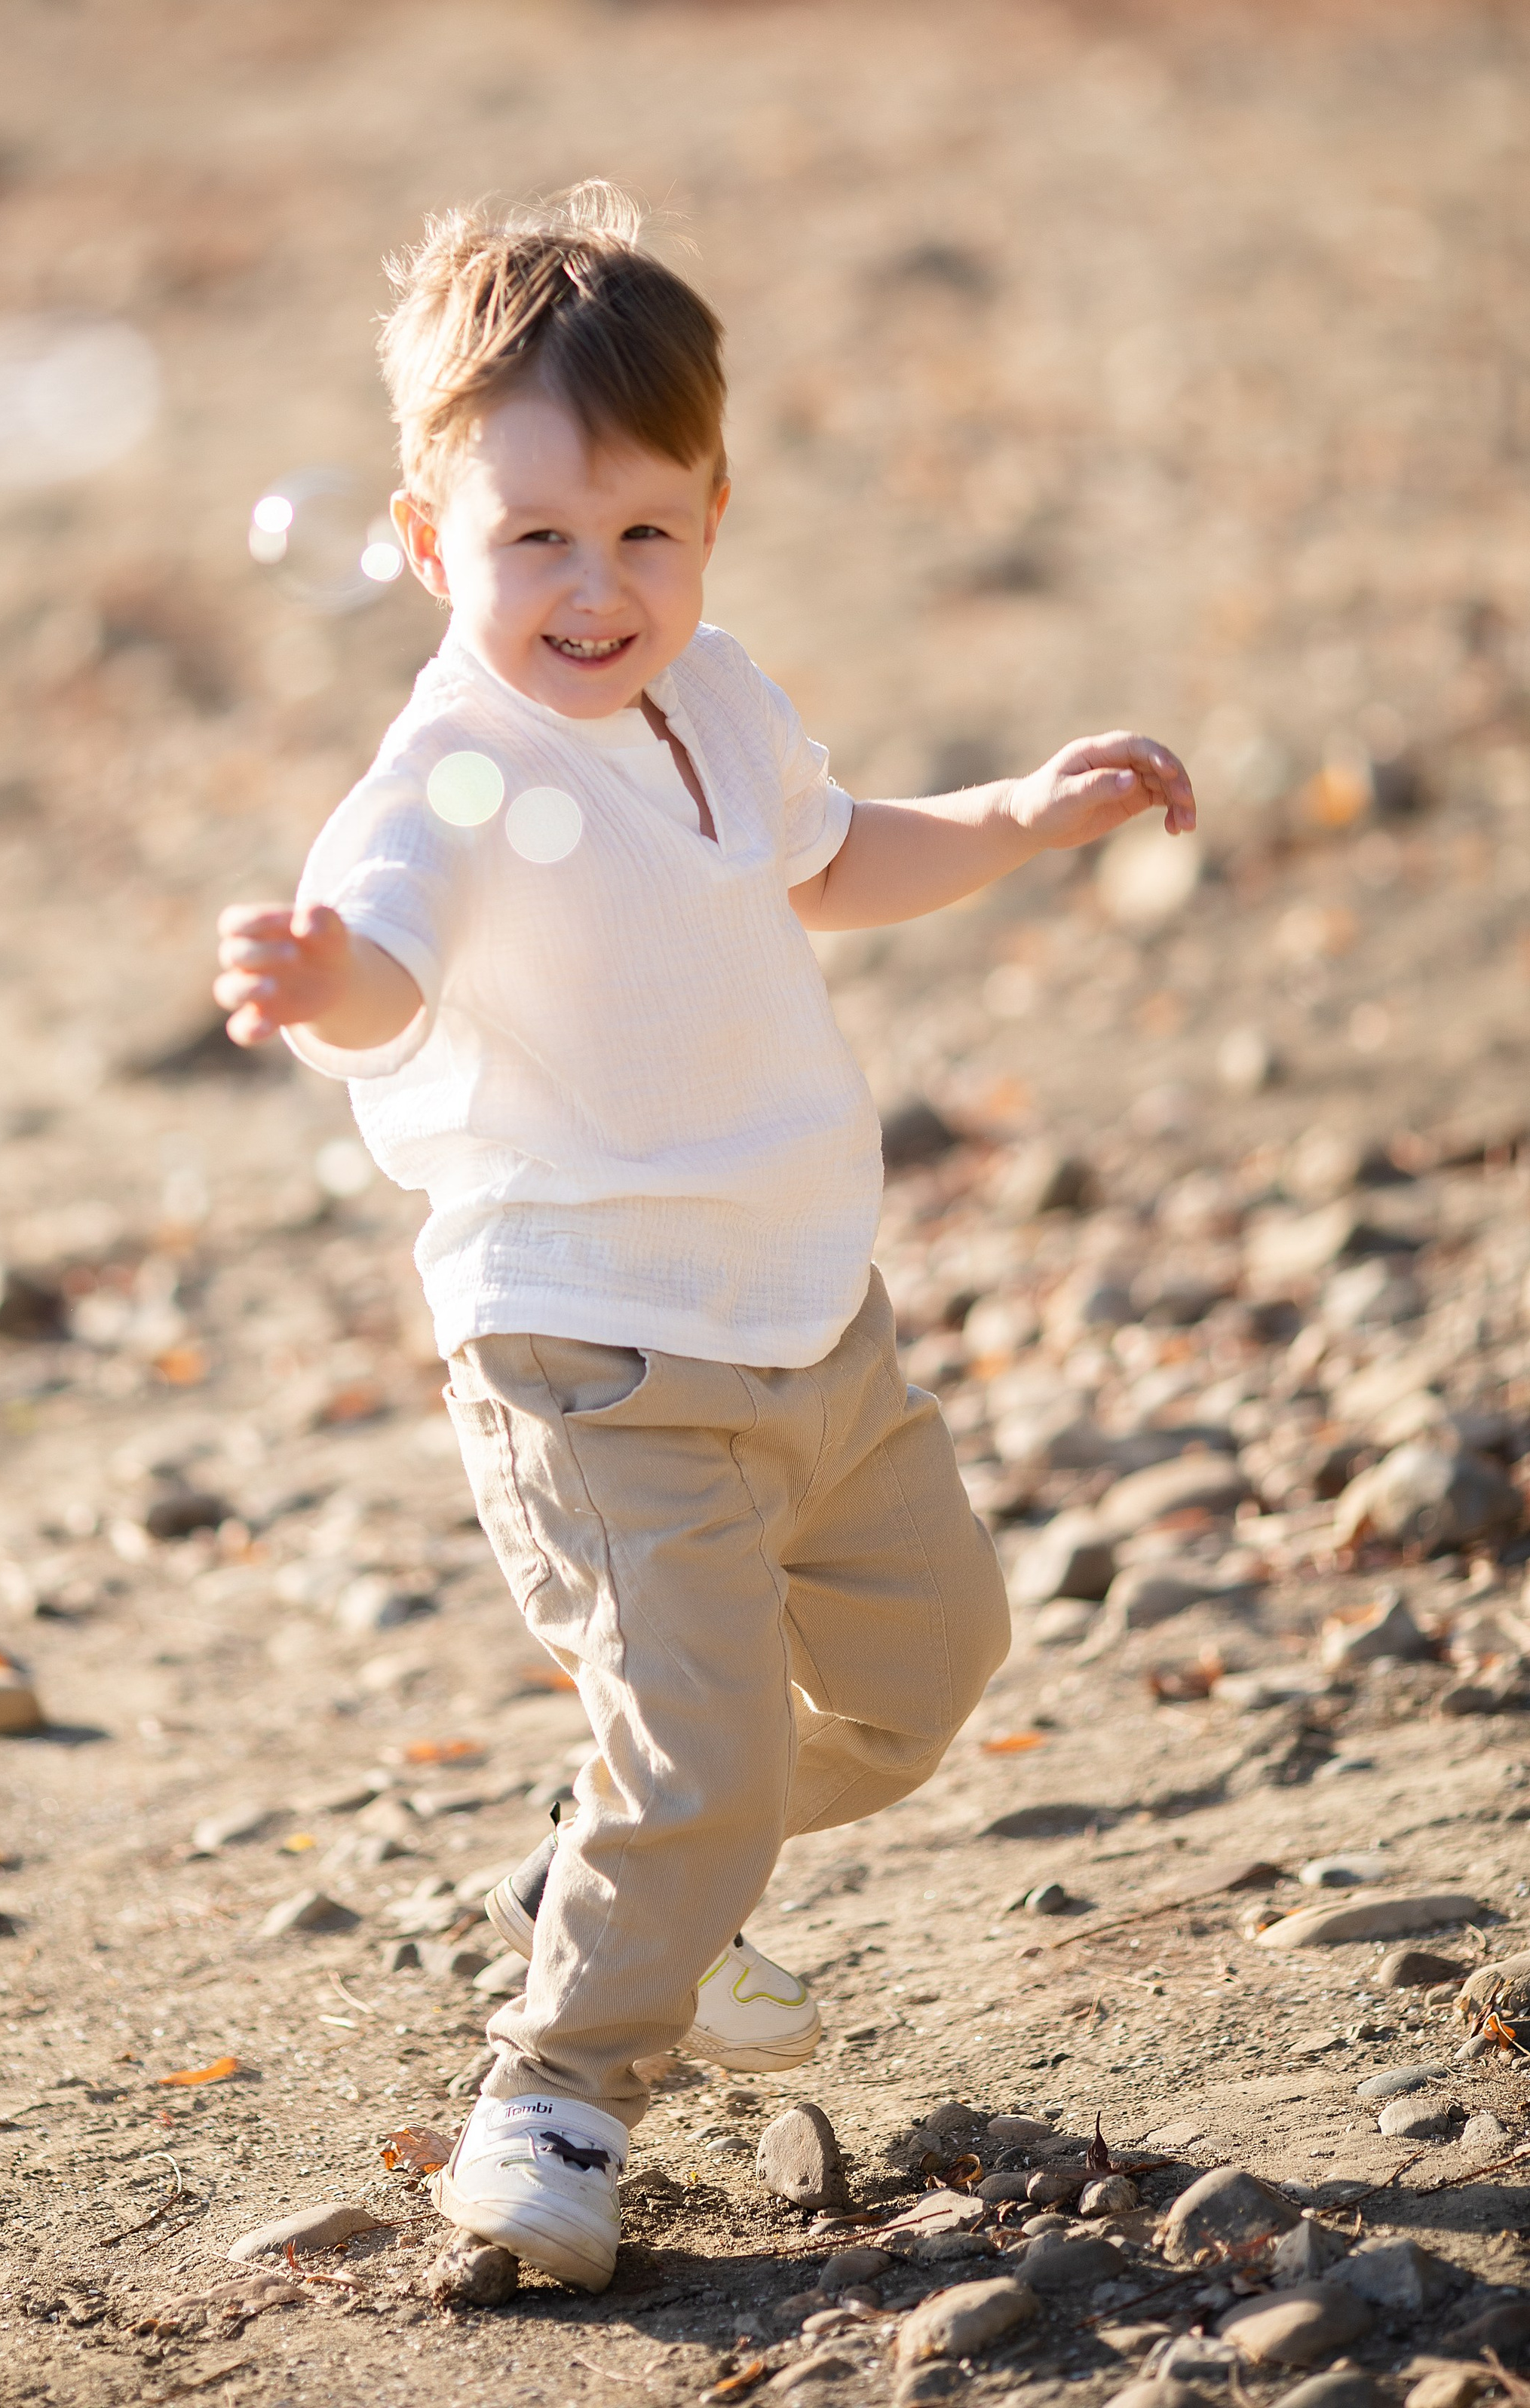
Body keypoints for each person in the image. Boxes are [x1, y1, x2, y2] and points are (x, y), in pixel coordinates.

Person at [213, 183, 1196, 2291]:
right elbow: (389, 970)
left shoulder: (721, 698)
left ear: (716, 519)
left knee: (932, 1675)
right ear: (423, 541)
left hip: (805, 1323)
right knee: (701, 1739)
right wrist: (323, 986)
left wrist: (1020, 819)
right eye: (535, 539)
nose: (595, 589)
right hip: (585, 1350)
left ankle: (647, 1864)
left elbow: (829, 860)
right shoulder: (439, 783)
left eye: (645, 533)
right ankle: (557, 2091)